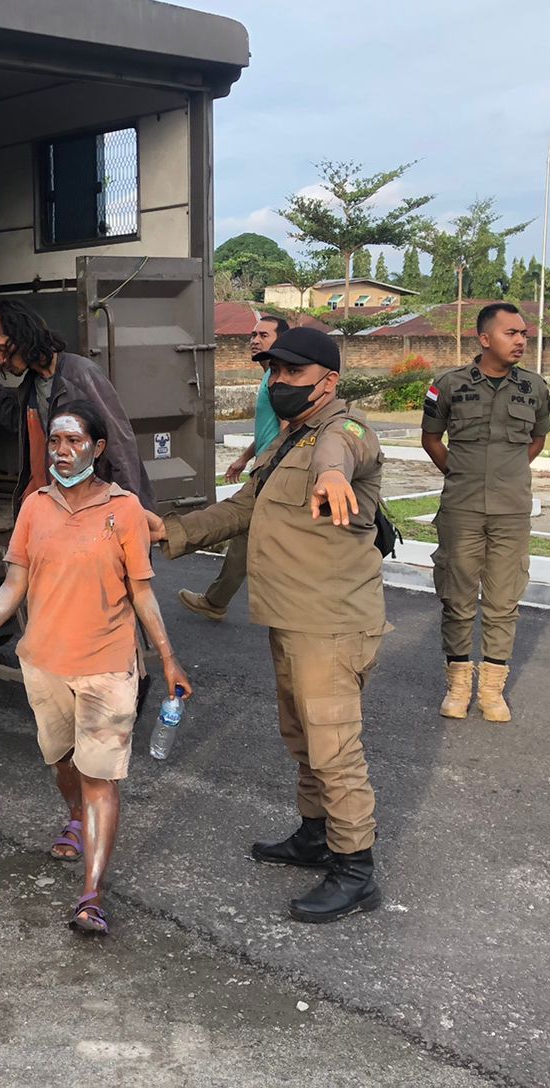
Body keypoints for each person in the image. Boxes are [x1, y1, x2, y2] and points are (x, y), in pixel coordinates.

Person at [148, 327, 388, 924]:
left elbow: (343, 453)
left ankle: (355, 869)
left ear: (327, 382)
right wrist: (170, 532)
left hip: (332, 623)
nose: (277, 382)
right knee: (305, 739)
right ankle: (314, 836)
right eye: (273, 372)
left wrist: (332, 477)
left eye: (291, 374)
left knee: (335, 749)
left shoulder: (344, 431)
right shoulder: (291, 437)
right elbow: (243, 508)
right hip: (292, 618)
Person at [0, 400, 191, 935]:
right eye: (55, 442)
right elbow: (13, 585)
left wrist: (168, 659)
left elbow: (143, 594)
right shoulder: (34, 508)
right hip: (44, 662)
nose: (62, 452)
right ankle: (75, 815)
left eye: (74, 442)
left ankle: (91, 894)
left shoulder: (123, 510)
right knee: (63, 762)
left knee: (100, 776)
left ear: (97, 449)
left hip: (107, 665)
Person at [421, 303, 550, 722]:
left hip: (512, 511)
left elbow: (536, 440)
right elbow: (432, 438)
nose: (520, 340)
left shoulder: (534, 387)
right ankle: (458, 686)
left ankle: (492, 690)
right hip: (461, 509)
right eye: (512, 333)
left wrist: (506, 476)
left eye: (524, 334)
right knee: (456, 596)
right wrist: (460, 474)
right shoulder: (449, 384)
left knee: (503, 599)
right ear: (484, 339)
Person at [0, 299, 155, 512]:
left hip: (87, 508)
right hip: (50, 508)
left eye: (2, 348)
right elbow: (24, 426)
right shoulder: (31, 386)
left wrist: (129, 510)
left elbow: (119, 445)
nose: (0, 359)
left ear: (22, 336)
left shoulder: (82, 376)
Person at [179, 313, 289, 621]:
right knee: (247, 537)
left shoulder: (279, 377)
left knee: (243, 529)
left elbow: (287, 428)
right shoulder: (270, 375)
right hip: (266, 467)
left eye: (263, 335)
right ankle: (217, 601)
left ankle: (219, 600)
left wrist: (271, 467)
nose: (254, 340)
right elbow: (270, 427)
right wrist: (245, 457)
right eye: (252, 335)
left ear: (281, 340)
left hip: (274, 472)